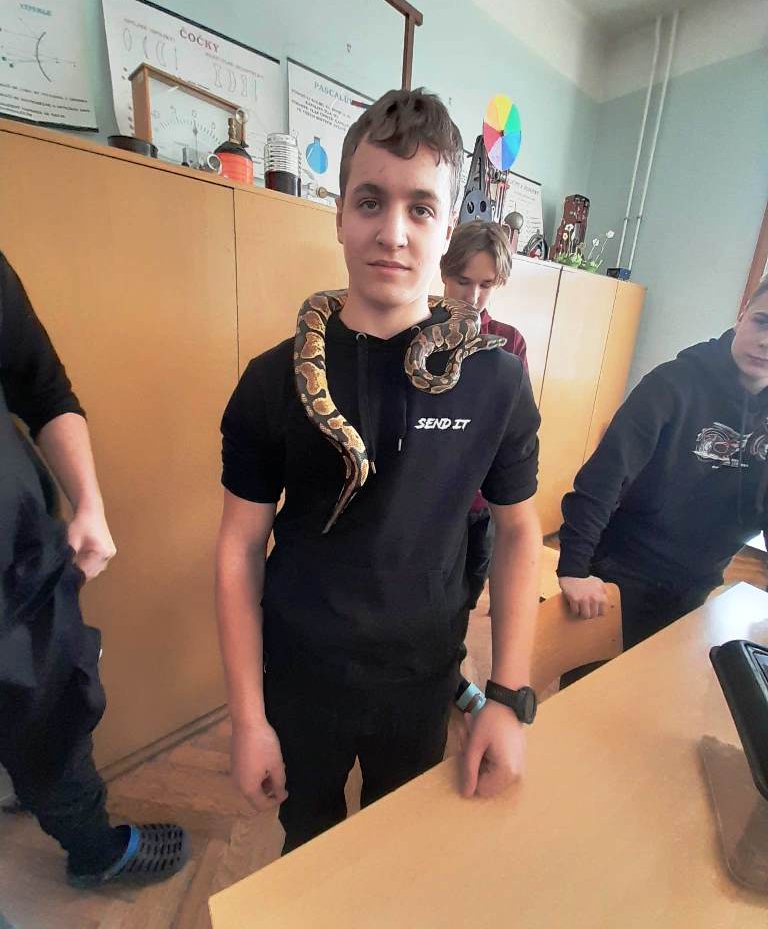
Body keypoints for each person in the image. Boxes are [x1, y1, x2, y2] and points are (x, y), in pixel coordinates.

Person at [216, 88, 542, 854]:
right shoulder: (270, 380)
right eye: (370, 201)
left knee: (398, 846)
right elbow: (238, 547)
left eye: (421, 208)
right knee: (309, 840)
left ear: (447, 224)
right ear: (339, 215)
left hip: (423, 678)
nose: (392, 232)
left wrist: (506, 696)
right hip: (301, 676)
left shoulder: (496, 380)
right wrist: (247, 716)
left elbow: (519, 532)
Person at [0, 252, 188, 888]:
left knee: (55, 719)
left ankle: (93, 847)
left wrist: (90, 503)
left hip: (20, 572)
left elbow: (44, 389)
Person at [558, 275, 768, 662]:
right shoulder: (672, 384)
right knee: (598, 692)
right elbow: (605, 477)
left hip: (699, 582)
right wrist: (573, 567)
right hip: (623, 571)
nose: (765, 341)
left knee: (667, 689)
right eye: (762, 321)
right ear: (742, 316)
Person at [440, 221, 529, 608]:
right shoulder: (416, 333)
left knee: (468, 594)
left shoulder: (508, 342)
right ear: (443, 271)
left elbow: (514, 429)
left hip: (482, 504)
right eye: (462, 281)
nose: (473, 297)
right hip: (432, 503)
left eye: (486, 284)